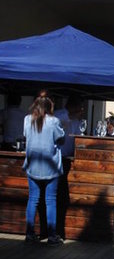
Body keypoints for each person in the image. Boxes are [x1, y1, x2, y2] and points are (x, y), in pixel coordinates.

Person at [23, 95, 65, 245]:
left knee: (33, 199)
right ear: (49, 107)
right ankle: (52, 236)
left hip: (32, 165)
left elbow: (25, 135)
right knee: (50, 201)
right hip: (51, 166)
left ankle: (29, 234)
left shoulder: (27, 120)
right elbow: (61, 139)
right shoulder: (54, 121)